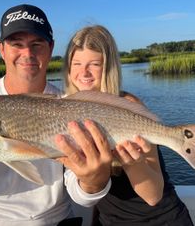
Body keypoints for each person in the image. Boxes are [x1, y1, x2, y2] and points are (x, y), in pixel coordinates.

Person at [0, 5, 113, 226]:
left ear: (50, 48)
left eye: (37, 44)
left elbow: (81, 195)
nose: (28, 54)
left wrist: (94, 181)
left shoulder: (71, 106)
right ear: (1, 49)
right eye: (16, 44)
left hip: (53, 221)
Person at [63, 24, 194, 226]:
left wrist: (134, 163)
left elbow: (153, 196)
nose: (84, 72)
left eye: (95, 64)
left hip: (162, 220)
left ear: (109, 67)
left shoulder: (129, 107)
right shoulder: (66, 108)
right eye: (76, 63)